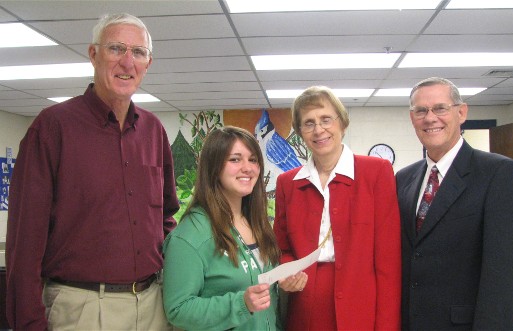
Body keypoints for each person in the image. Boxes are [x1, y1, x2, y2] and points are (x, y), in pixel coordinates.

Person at [5, 13, 179, 330]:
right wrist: (29, 322)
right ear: (93, 54)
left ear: (148, 63)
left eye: (138, 53)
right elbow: (24, 240)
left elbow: (166, 217)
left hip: (154, 305)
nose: (128, 62)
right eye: (116, 49)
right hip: (82, 309)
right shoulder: (52, 127)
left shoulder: (154, 131)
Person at [396, 77, 513, 330]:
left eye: (440, 108)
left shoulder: (499, 174)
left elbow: (506, 275)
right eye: (421, 111)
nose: (430, 118)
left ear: (461, 112)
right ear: (412, 118)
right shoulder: (403, 179)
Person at [274, 86, 402, 330]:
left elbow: (389, 264)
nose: (318, 129)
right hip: (305, 310)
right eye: (308, 123)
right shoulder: (287, 183)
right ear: (300, 132)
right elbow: (282, 248)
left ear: (342, 123)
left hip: (361, 311)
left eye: (326, 119)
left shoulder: (376, 173)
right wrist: (286, 271)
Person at [163, 126, 283, 331]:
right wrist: (240, 304)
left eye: (253, 160)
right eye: (235, 159)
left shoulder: (257, 223)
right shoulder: (192, 234)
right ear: (214, 167)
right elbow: (178, 310)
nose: (248, 168)